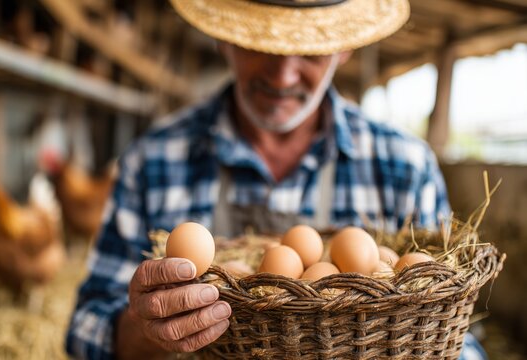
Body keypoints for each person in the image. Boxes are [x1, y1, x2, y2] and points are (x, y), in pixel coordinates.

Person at [66, 0, 486, 359]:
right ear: (224, 37)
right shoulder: (152, 161)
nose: (283, 76)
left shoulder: (405, 168)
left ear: (343, 48)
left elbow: (457, 337)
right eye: (261, 44)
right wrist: (147, 329)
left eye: (311, 50)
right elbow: (85, 331)